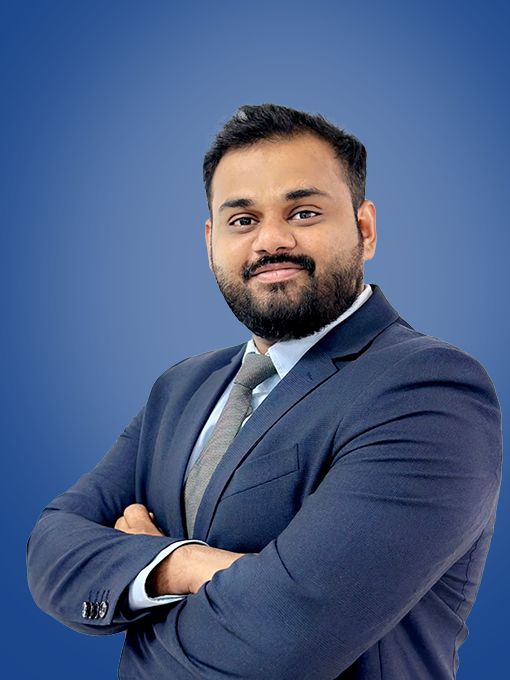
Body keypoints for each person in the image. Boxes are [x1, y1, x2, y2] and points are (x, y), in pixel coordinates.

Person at [27, 104, 502, 680]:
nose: (270, 241)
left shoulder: (430, 389)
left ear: (365, 229)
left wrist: (139, 600)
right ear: (211, 241)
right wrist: (183, 565)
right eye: (242, 220)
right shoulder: (180, 388)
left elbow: (287, 640)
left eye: (303, 212)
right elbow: (51, 550)